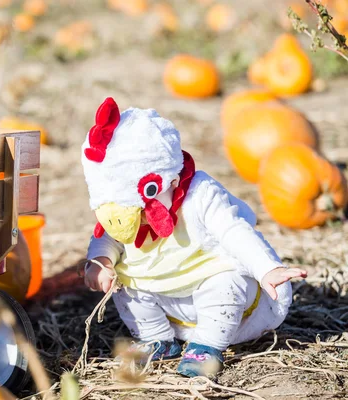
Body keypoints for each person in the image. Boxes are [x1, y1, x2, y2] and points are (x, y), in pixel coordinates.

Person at [80, 97, 307, 377]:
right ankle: (156, 338)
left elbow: (233, 230)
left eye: (138, 206)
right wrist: (100, 260)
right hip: (165, 294)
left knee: (225, 283)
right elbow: (108, 234)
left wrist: (266, 268)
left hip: (210, 281)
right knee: (125, 284)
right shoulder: (119, 208)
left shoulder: (200, 195)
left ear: (172, 181)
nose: (134, 216)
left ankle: (207, 346)